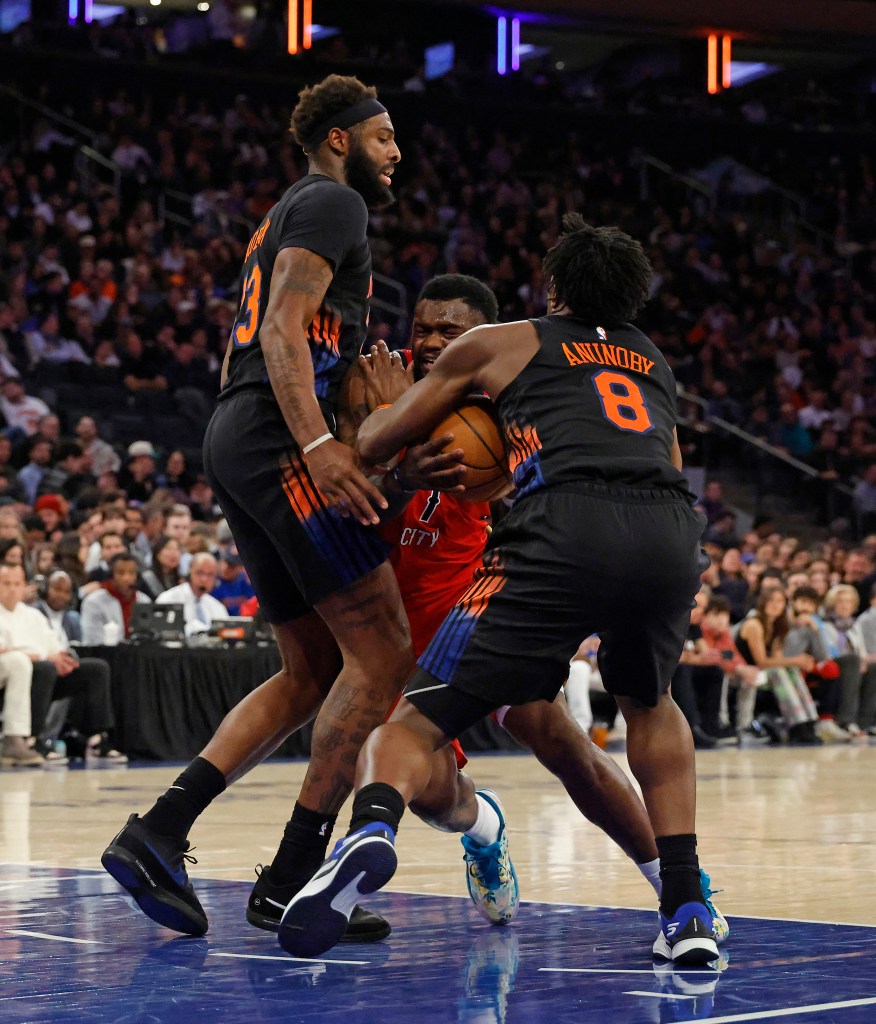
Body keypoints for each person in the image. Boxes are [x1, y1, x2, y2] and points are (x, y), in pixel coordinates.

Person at [279, 216, 719, 965]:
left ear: (551, 291)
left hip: (559, 534)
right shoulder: (652, 361)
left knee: (411, 726)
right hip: (669, 529)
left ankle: (370, 833)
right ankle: (688, 909)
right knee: (651, 704)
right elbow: (666, 459)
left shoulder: (502, 344)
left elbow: (377, 444)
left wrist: (383, 410)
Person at [101, 74, 436, 944]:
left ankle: (160, 833)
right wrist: (322, 445)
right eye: (384, 136)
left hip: (240, 434)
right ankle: (292, 880)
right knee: (385, 652)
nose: (397, 152)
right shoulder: (333, 203)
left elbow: (273, 342)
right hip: (278, 438)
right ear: (338, 140)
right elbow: (284, 330)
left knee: (310, 671)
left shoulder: (291, 210)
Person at [32, 569, 127, 762]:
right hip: (39, 669)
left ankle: (96, 738)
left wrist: (68, 659)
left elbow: (74, 647)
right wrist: (52, 658)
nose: (61, 595)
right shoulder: (34, 613)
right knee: (47, 670)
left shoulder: (72, 619)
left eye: (66, 591)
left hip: (60, 669)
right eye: (56, 589)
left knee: (97, 669)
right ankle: (37, 740)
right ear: (44, 589)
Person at [736, 587, 820, 744]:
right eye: (771, 600)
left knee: (791, 670)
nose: (775, 605)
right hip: (744, 672)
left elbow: (777, 658)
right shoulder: (754, 624)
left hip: (761, 674)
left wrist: (795, 662)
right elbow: (761, 661)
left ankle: (810, 721)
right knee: (778, 671)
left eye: (780, 601)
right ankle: (797, 724)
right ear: (763, 603)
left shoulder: (778, 625)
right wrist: (796, 659)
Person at [80, 552, 151, 644]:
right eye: (121, 573)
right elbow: (92, 639)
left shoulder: (144, 600)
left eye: (131, 573)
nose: (126, 578)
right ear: (111, 575)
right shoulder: (93, 602)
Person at [155, 552, 226, 635]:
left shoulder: (217, 607)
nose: (204, 579)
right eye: (200, 573)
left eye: (210, 574)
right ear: (190, 571)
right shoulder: (168, 599)